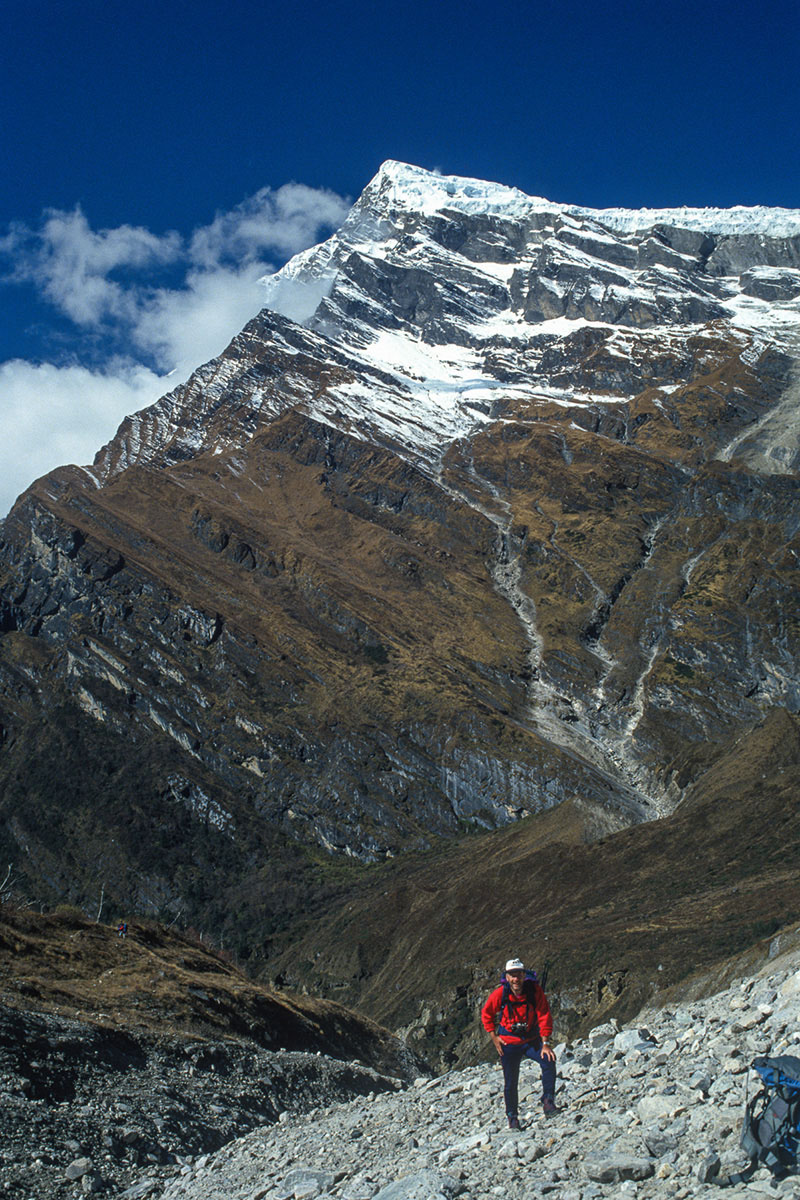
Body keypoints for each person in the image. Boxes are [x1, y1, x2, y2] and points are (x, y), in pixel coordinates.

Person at [481, 957, 557, 1128]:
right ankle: (512, 1117)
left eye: (519, 975)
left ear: (524, 975)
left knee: (548, 1060)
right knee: (510, 1081)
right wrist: (494, 1038)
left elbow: (544, 1014)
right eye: (512, 975)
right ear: (507, 977)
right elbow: (487, 1014)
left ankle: (548, 1100)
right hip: (508, 1043)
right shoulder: (500, 994)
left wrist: (545, 1043)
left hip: (531, 1040)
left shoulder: (534, 991)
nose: (516, 979)